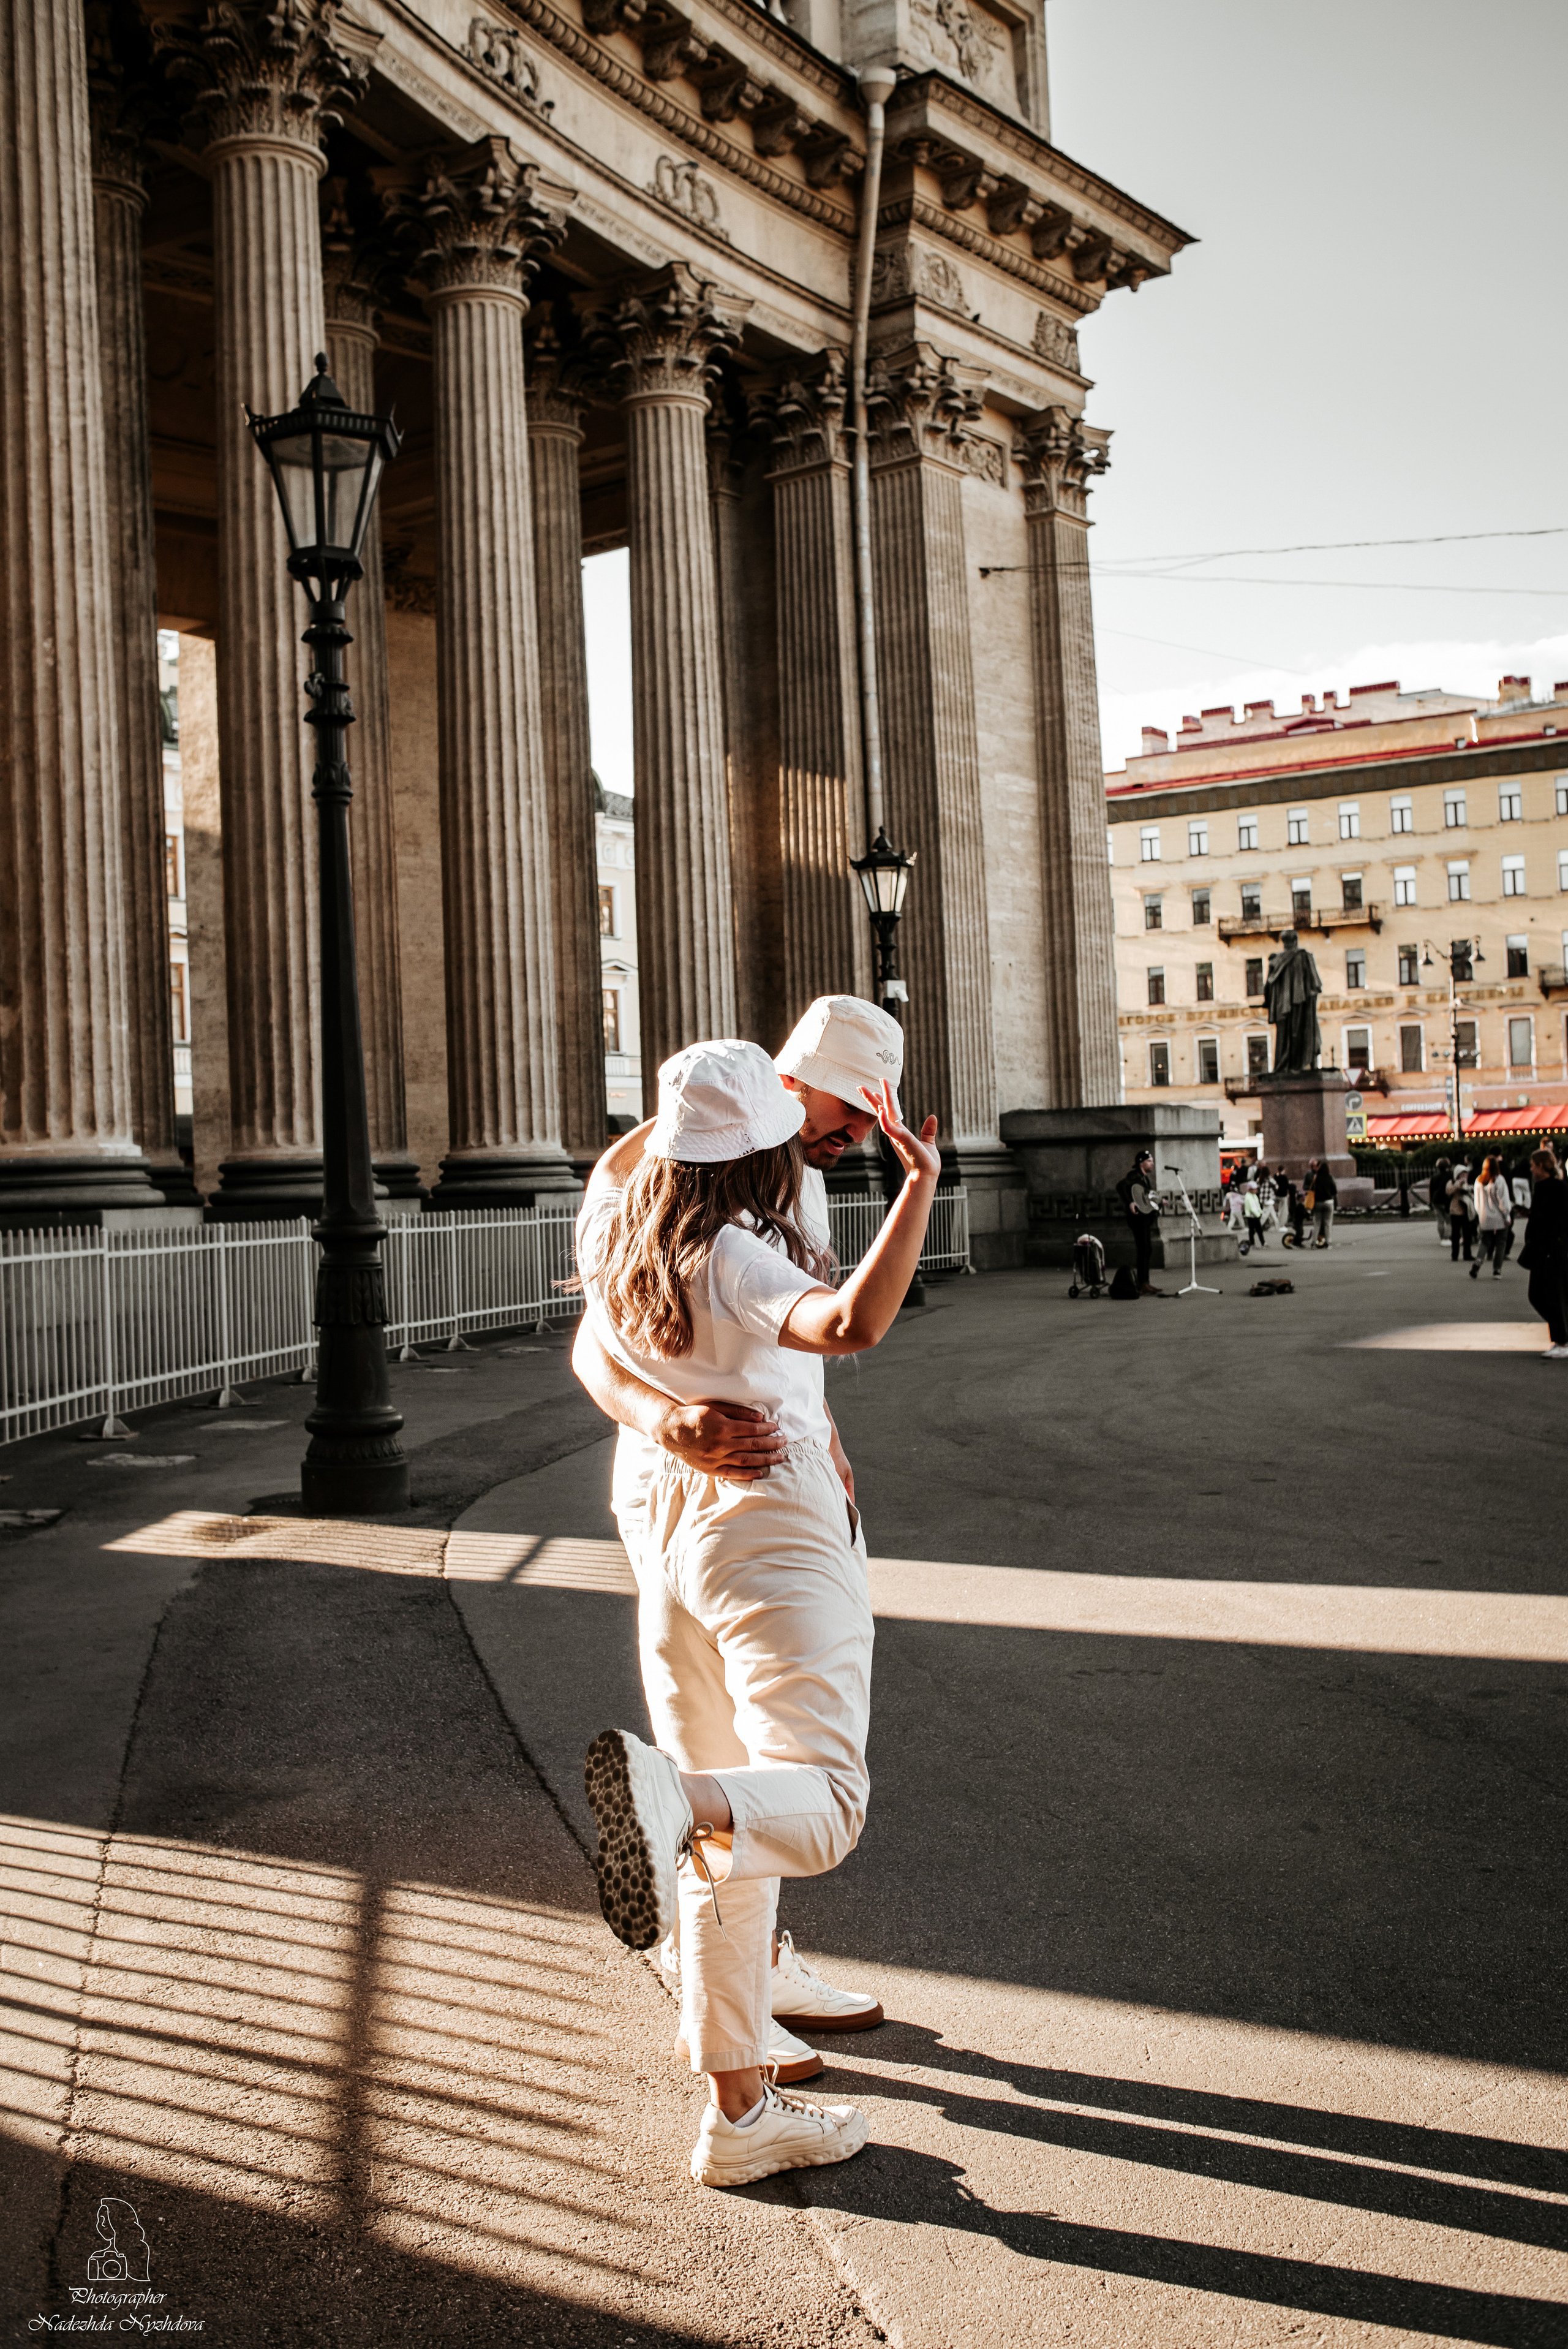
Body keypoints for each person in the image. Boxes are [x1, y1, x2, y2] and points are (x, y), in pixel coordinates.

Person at [574, 1035, 940, 2190]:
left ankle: (740, 2110)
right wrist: (921, 1183)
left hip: (673, 1522)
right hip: (766, 1519)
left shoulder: (630, 1217)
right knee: (821, 1803)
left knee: (734, 1826)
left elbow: (595, 1340)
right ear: (772, 1139)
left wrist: (667, 1415)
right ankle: (663, 1797)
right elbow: (847, 1325)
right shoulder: (736, 1248)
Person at [1518, 1146, 1568, 1357]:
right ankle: (1561, 1337)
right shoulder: (1544, 1187)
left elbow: (1557, 1219)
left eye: (1532, 1165)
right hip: (1543, 1248)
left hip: (1550, 1249)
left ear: (1541, 1166)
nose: (1530, 1169)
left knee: (1546, 1295)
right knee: (1542, 1295)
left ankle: (1562, 1340)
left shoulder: (1556, 1188)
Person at [1117, 1148, 1165, 1295]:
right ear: (1141, 1163)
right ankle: (1142, 1283)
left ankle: (1144, 1282)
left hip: (1145, 1219)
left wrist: (1160, 1202)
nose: (1152, 1164)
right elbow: (1120, 1186)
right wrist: (1130, 1202)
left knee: (1147, 1249)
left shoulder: (1144, 1179)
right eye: (1149, 1161)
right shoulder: (1134, 1176)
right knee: (1144, 1249)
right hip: (1137, 1219)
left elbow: (1146, 1199)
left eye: (1152, 1161)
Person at [1471, 1154, 1513, 1280]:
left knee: (1485, 1242)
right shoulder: (1499, 1180)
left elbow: (1477, 1202)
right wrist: (1507, 1216)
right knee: (1501, 1243)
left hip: (1485, 1217)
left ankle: (1477, 1264)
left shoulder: (1479, 1180)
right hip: (1499, 1218)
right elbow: (1504, 1202)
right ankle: (1497, 1270)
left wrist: (1480, 1214)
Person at [1447, 1161, 1476, 1263]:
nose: (1465, 1176)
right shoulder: (1452, 1182)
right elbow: (1449, 1192)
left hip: (1466, 1212)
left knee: (1467, 1234)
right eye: (1462, 1174)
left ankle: (1467, 1254)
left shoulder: (1468, 1184)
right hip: (1455, 1211)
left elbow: (1473, 1195)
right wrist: (1459, 1184)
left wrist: (1469, 1189)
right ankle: (1455, 1255)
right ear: (1458, 1175)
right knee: (1455, 1235)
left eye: (1466, 1174)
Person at [1307, 1156, 1337, 1247]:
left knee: (1317, 1224)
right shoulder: (1330, 1178)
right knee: (1328, 1223)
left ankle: (1313, 1243)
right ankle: (1328, 1243)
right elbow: (1334, 1191)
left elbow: (1312, 1190)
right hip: (1328, 1202)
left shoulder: (1316, 1178)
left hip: (1318, 1203)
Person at [1430, 1156, 1452, 1249]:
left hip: (1436, 1200)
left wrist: (1431, 1202)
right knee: (1449, 1221)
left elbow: (1431, 1190)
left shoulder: (1435, 1177)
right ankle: (1447, 1237)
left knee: (1440, 1221)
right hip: (1447, 1200)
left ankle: (1442, 1237)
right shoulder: (1451, 1176)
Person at [1242, 1179, 1267, 1252]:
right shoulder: (1248, 1197)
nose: (1256, 1190)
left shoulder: (1254, 1196)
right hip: (1251, 1217)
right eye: (1254, 1189)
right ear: (1250, 1189)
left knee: (1260, 1230)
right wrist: (1258, 1214)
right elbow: (1251, 1208)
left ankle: (1263, 1243)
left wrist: (1260, 1212)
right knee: (1252, 1231)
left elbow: (1257, 1205)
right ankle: (1252, 1244)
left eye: (1256, 1189)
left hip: (1256, 1216)